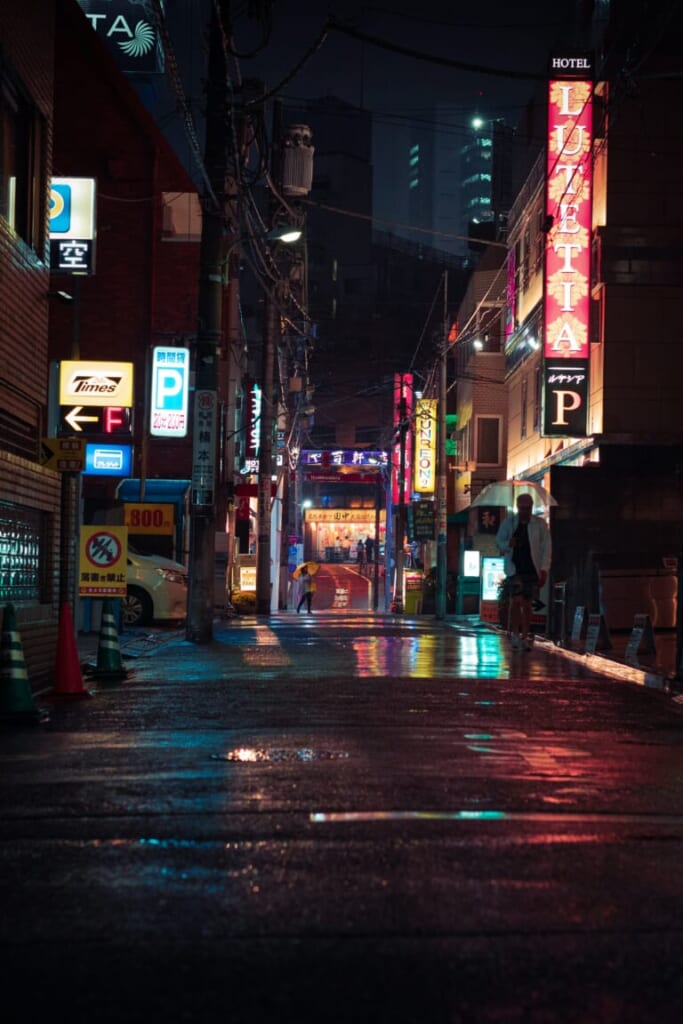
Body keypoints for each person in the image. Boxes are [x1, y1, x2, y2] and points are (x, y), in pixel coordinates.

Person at [495, 493, 551, 652]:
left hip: (532, 568)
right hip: (515, 568)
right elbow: (499, 542)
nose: (525, 511)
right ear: (518, 507)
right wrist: (508, 544)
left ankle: (525, 634)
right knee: (517, 600)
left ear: (531, 507)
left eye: (528, 508)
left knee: (527, 603)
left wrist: (544, 569)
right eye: (522, 508)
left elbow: (547, 547)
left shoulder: (539, 524)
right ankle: (515, 633)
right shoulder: (510, 523)